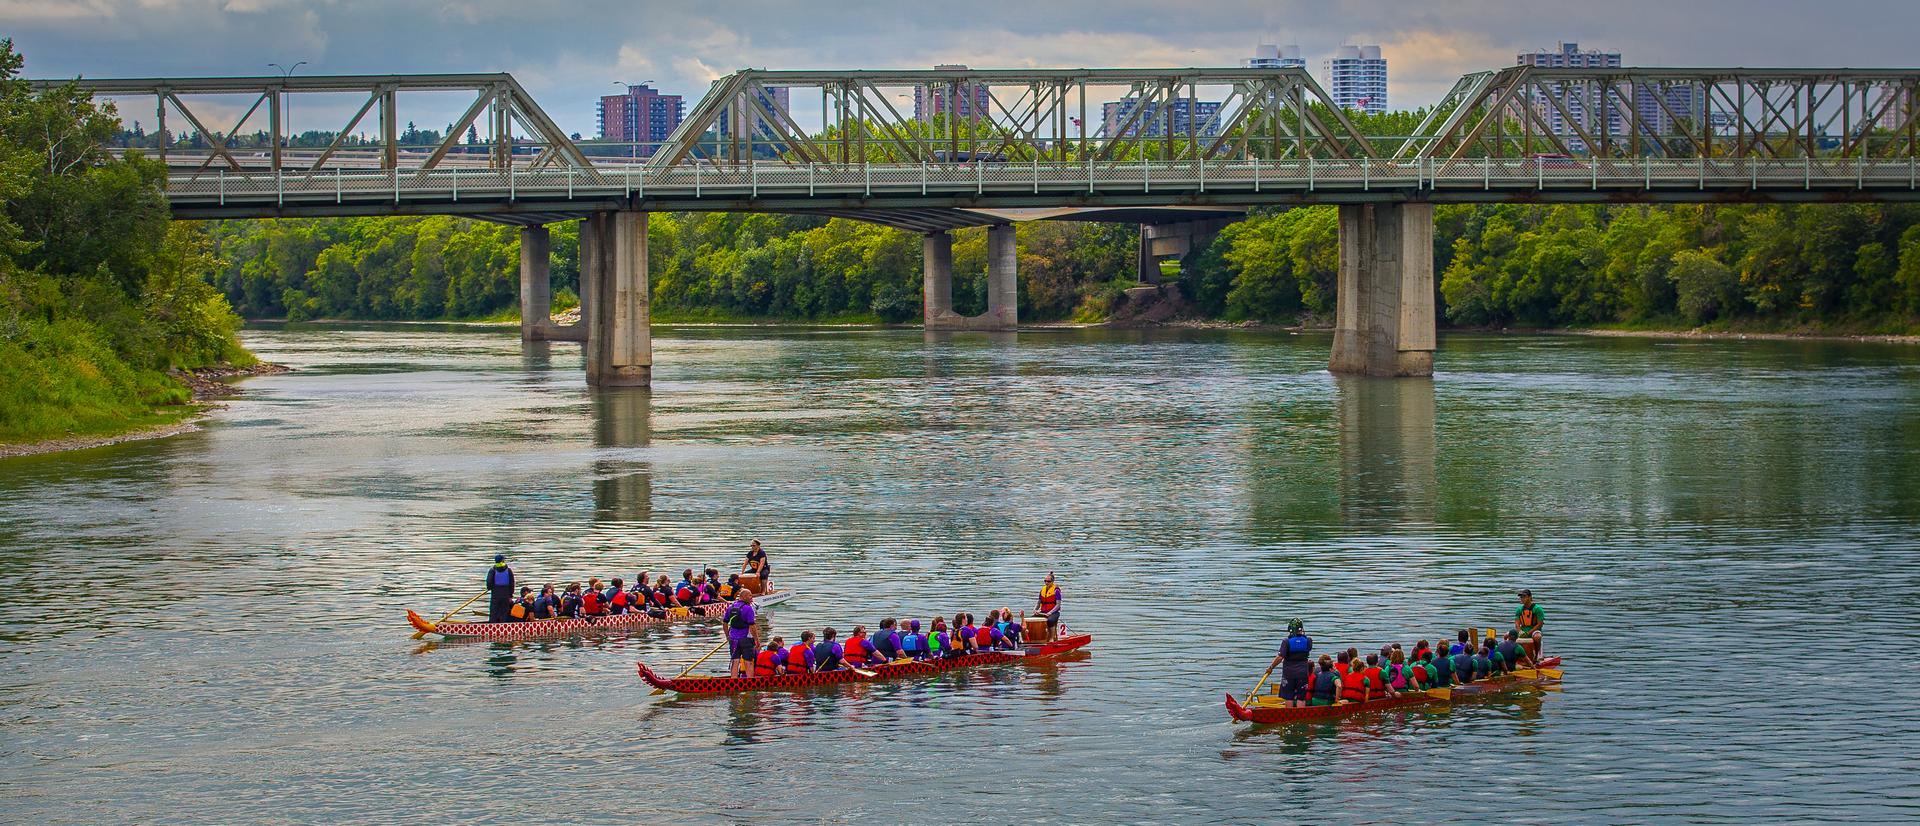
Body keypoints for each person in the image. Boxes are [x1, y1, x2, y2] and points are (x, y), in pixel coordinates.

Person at [1267, 619, 1314, 709]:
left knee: (1289, 697)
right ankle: (1300, 716)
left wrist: (1271, 667)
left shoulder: (1286, 641)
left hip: (1289, 673)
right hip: (1302, 673)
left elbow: (1280, 657)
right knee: (1301, 697)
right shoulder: (1308, 641)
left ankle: (1289, 715)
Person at [722, 591, 757, 678]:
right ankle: (750, 683)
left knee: (735, 661)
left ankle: (734, 681)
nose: (751, 598)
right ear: (744, 596)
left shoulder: (730, 607)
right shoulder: (748, 609)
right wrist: (756, 640)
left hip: (733, 639)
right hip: (746, 639)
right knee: (748, 661)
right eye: (750, 595)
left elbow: (724, 623)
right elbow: (752, 626)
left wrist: (727, 636)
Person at [1515, 589, 1545, 659]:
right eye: (1521, 597)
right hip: (1523, 630)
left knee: (1537, 637)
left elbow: (1540, 624)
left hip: (1534, 630)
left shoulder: (1538, 609)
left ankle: (1537, 655)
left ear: (1530, 597)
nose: (1522, 599)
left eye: (1524, 596)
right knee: (1507, 635)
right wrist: (1519, 631)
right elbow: (1517, 623)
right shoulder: (1519, 609)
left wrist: (1529, 632)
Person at [485, 554, 515, 622]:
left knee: (494, 611)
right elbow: (512, 583)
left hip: (495, 594)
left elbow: (489, 583)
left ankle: (492, 626)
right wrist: (510, 595)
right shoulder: (509, 570)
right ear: (503, 560)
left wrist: (489, 588)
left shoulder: (492, 570)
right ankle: (503, 625)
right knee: (504, 611)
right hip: (506, 594)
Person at [1035, 573, 1061, 639]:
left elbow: (1058, 605)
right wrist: (1036, 610)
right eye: (1045, 581)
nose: (1046, 583)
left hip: (1054, 612)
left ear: (1052, 582)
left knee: (1050, 620)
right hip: (1043, 611)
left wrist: (1050, 612)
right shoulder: (1042, 590)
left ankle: (1051, 638)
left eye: (1048, 581)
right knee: (1033, 619)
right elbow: (1039, 603)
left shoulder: (1056, 591)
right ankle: (1039, 638)